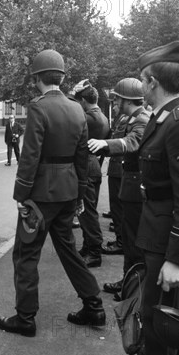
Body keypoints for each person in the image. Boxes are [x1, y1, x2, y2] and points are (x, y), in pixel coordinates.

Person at [118, 41, 179, 355]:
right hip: (160, 231)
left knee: (158, 314)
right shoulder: (166, 116)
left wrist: (176, 259)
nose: (141, 83)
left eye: (143, 79)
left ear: (151, 81)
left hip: (169, 238)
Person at [0, 49, 106, 337]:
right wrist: (80, 194)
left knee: (26, 254)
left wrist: (21, 195)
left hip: (41, 195)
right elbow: (82, 156)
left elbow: (30, 156)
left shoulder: (38, 108)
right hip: (68, 192)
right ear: (60, 77)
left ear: (37, 79)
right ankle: (94, 305)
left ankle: (25, 317)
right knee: (68, 250)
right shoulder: (76, 108)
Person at [88, 78, 149, 293]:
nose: (115, 102)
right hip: (130, 186)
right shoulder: (133, 117)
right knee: (130, 238)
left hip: (134, 187)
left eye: (117, 98)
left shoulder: (141, 119)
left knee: (133, 242)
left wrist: (106, 144)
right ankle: (129, 282)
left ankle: (132, 287)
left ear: (126, 99)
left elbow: (132, 142)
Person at [73, 80, 110, 268]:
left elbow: (70, 115)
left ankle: (94, 252)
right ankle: (88, 248)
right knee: (88, 211)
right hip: (94, 164)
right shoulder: (103, 117)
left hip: (85, 167)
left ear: (84, 101)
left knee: (87, 214)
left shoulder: (87, 117)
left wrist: (73, 93)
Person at [101, 99, 129, 255]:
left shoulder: (127, 120)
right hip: (116, 168)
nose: (116, 106)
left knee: (119, 208)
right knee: (117, 208)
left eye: (117, 103)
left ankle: (121, 242)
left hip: (119, 169)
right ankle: (120, 238)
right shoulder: (123, 118)